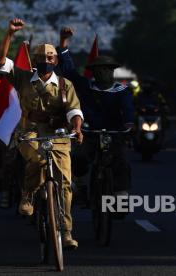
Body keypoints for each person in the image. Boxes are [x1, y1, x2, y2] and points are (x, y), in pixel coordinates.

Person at [0, 18, 84, 249]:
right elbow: (1, 62)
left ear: (55, 60)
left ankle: (66, 232)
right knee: (36, 159)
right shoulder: (23, 78)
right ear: (34, 61)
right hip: (30, 132)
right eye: (41, 58)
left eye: (50, 58)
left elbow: (74, 110)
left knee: (65, 183)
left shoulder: (65, 85)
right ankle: (28, 194)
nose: (46, 61)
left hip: (58, 135)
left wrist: (76, 127)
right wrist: (9, 34)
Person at [57, 27, 134, 202]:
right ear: (93, 71)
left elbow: (128, 109)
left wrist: (129, 124)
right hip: (90, 133)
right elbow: (68, 69)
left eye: (107, 69)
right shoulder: (85, 85)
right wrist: (63, 42)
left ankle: (121, 196)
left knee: (121, 160)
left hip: (114, 134)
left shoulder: (122, 91)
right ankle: (81, 184)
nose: (103, 72)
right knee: (78, 157)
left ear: (112, 71)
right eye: (99, 69)